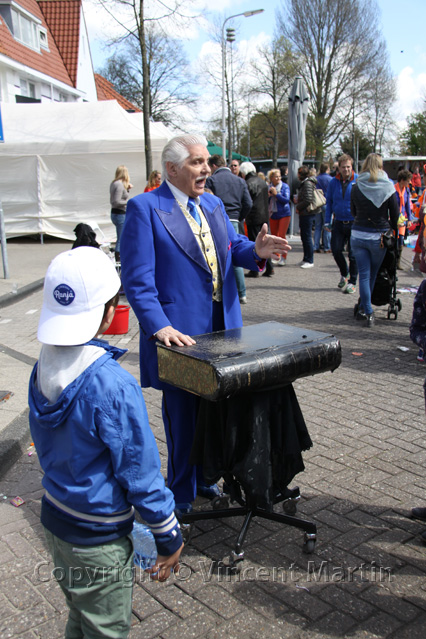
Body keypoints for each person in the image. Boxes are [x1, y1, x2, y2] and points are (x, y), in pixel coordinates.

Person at [120, 135, 290, 515]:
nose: (207, 169)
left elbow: (232, 249)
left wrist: (256, 252)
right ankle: (179, 495)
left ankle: (205, 480)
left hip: (223, 328)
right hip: (179, 335)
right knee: (182, 418)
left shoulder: (212, 203)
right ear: (173, 169)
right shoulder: (145, 208)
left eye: (207, 162)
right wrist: (158, 326)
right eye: (197, 163)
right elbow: (137, 280)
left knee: (215, 412)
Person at [28, 247, 183, 638]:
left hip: (56, 522)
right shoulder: (112, 384)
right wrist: (168, 534)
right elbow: (140, 471)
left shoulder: (41, 365)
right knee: (106, 629)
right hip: (99, 539)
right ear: (110, 308)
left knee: (80, 615)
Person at [350, 153, 399, 327]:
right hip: (378, 237)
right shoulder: (388, 187)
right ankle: (367, 310)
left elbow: (353, 211)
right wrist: (393, 230)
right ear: (380, 166)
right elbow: (394, 214)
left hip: (358, 234)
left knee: (363, 274)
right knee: (372, 273)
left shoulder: (356, 186)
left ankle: (366, 310)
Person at [206, 154, 253, 304]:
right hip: (234, 219)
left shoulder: (211, 180)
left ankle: (222, 294)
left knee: (220, 256)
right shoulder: (240, 180)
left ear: (213, 166)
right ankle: (242, 293)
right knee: (235, 255)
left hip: (217, 221)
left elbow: (207, 202)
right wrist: (239, 216)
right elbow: (248, 203)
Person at [324, 154, 358, 294]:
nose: (346, 170)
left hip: (354, 222)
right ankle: (345, 273)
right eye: (343, 167)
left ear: (352, 167)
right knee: (336, 250)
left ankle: (352, 282)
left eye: (348, 167)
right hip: (338, 221)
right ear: (339, 168)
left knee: (353, 254)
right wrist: (328, 220)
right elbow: (329, 202)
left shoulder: (358, 180)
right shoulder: (333, 182)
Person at [239, 161, 275, 278]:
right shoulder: (262, 182)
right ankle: (269, 267)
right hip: (264, 216)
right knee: (265, 242)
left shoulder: (248, 183)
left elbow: (247, 202)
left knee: (255, 243)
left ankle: (255, 269)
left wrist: (244, 214)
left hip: (254, 217)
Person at [294, 165, 318, 269]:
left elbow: (308, 199)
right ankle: (306, 258)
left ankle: (310, 259)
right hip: (305, 213)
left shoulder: (307, 183)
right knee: (304, 236)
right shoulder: (306, 183)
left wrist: (298, 206)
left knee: (307, 236)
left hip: (307, 213)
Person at [268, 168, 291, 266]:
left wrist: (276, 194)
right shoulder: (269, 187)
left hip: (284, 213)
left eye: (279, 176)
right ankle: (276, 255)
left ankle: (284, 257)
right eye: (276, 176)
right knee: (274, 236)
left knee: (282, 236)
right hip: (273, 213)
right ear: (271, 178)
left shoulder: (285, 187)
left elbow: (286, 199)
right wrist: (268, 195)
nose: (278, 178)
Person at [110, 165, 133, 263]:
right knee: (121, 237)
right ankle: (118, 259)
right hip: (120, 213)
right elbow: (116, 201)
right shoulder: (119, 185)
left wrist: (127, 189)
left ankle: (119, 257)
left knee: (120, 236)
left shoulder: (114, 183)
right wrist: (128, 202)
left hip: (115, 213)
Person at [394, 169, 413, 270]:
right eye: (408, 180)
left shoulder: (407, 190)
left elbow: (407, 206)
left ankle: (398, 262)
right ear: (402, 180)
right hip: (393, 217)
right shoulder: (393, 189)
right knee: (393, 239)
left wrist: (409, 219)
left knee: (400, 239)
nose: (410, 182)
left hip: (402, 218)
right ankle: (391, 261)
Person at [314, 163, 332, 253]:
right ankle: (327, 246)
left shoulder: (316, 179)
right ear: (327, 169)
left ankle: (315, 246)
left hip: (317, 204)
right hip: (327, 204)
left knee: (317, 227)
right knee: (327, 226)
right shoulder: (330, 179)